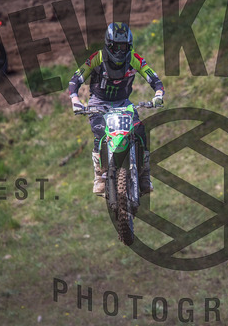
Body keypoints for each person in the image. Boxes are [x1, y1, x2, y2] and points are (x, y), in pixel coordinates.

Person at [68, 22, 165, 196]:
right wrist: (75, 100)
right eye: (116, 46)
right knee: (100, 133)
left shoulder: (135, 59)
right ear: (108, 44)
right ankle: (99, 176)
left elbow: (154, 78)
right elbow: (75, 79)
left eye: (124, 47)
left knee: (139, 130)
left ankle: (144, 174)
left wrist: (158, 94)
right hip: (99, 103)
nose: (120, 51)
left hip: (123, 103)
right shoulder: (97, 58)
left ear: (129, 46)